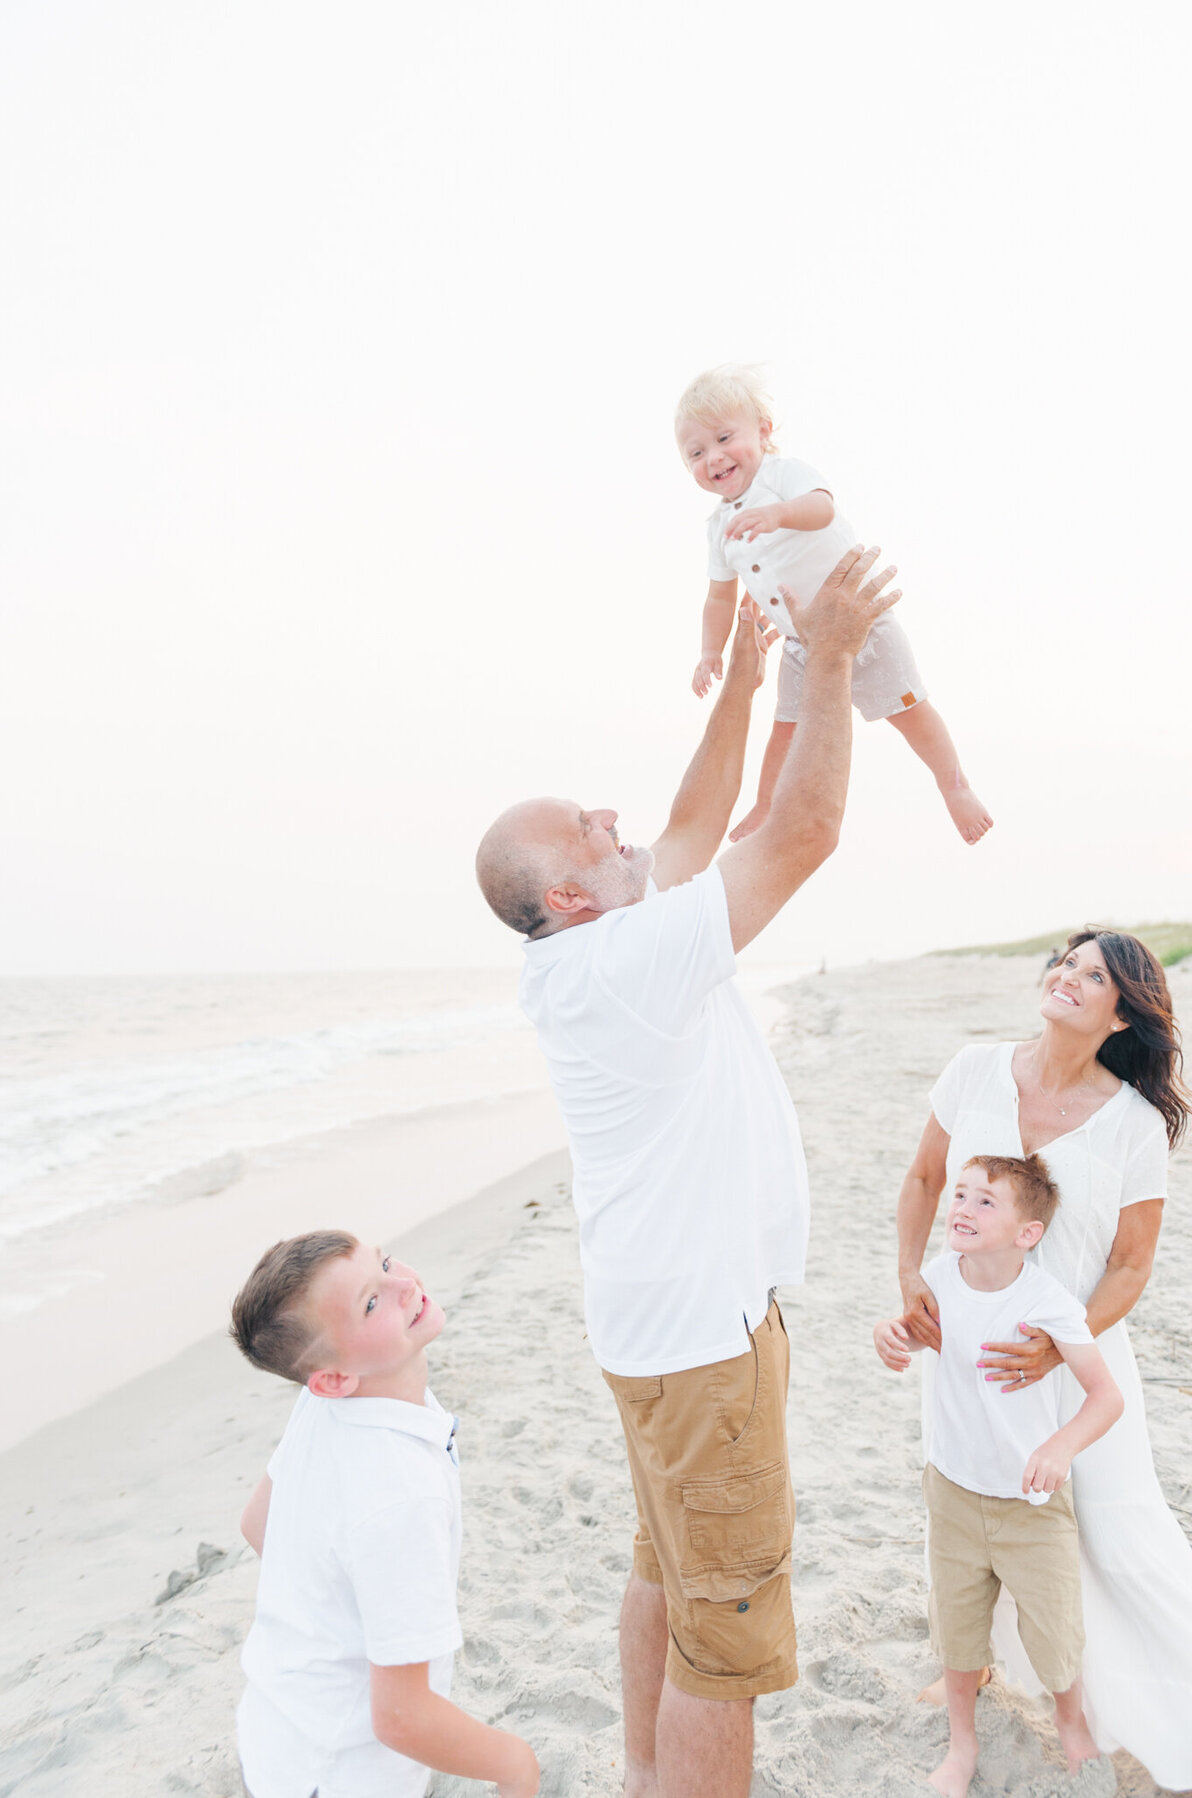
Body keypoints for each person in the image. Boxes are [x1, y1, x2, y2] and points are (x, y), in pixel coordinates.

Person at [475, 546, 900, 1798]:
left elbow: (695, 822)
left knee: (665, 1569)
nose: (618, 823)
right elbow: (800, 830)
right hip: (703, 1343)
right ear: (569, 890)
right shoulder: (623, 963)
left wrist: (747, 675)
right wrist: (826, 660)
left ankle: (647, 1779)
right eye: (591, 828)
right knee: (726, 1637)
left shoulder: (587, 945)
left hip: (655, 1330)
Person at [896, 929, 1192, 1791]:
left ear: (1122, 1011)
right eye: (1065, 961)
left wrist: (1057, 1351)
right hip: (971, 1357)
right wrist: (910, 1275)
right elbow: (922, 1181)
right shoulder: (974, 1069)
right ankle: (977, 1668)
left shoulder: (1136, 1125)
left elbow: (1132, 1264)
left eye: (1093, 974)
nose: (1068, 976)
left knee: (1110, 1533)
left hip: (1081, 1366)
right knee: (971, 1508)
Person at [229, 1231, 540, 1798]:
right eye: (371, 1301)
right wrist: (515, 1765)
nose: (404, 1285)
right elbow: (401, 1718)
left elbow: (258, 1523)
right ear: (334, 1377)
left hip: (276, 1740)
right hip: (340, 1777)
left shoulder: (324, 1403)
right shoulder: (401, 1493)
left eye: (386, 1261)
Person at [875, 1153, 1123, 1797]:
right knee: (957, 1627)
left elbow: (1105, 1396)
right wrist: (888, 1333)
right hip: (953, 1489)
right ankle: (963, 1743)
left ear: (1027, 1233)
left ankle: (1070, 1722)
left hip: (1030, 1503)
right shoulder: (936, 1277)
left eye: (986, 1201)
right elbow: (907, 1329)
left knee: (1054, 1626)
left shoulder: (1046, 1299)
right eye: (960, 1195)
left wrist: (1060, 1447)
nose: (962, 1207)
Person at [675, 364, 992, 846]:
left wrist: (778, 514)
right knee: (785, 729)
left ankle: (955, 784)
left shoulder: (783, 475)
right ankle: (765, 806)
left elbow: (822, 506)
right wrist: (709, 652)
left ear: (763, 431)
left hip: (860, 621)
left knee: (909, 710)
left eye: (723, 438)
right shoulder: (718, 528)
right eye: (696, 452)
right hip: (804, 644)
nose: (713, 457)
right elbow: (719, 595)